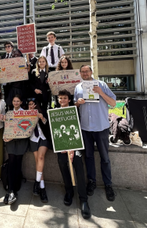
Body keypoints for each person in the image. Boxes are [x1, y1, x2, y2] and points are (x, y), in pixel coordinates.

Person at [74, 65, 116, 201]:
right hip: (86, 128)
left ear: (91, 72)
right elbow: (75, 106)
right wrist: (78, 103)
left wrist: (101, 93)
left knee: (105, 158)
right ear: (80, 73)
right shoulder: (78, 87)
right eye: (82, 72)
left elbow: (114, 103)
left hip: (101, 128)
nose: (85, 73)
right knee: (89, 157)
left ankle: (108, 184)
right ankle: (91, 182)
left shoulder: (102, 84)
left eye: (87, 71)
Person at [57, 89, 91, 220]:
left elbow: (77, 129)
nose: (62, 100)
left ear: (69, 100)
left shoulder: (74, 110)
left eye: (65, 98)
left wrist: (72, 148)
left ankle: (83, 199)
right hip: (61, 145)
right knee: (61, 162)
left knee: (77, 161)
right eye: (60, 98)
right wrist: (61, 146)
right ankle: (69, 191)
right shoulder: (55, 112)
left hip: (75, 143)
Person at [4, 95, 28, 205]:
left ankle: (16, 185)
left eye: (18, 101)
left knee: (19, 162)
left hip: (21, 140)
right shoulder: (8, 113)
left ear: (21, 102)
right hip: (10, 140)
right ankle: (11, 188)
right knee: (11, 161)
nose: (16, 103)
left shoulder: (25, 113)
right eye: (14, 101)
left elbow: (26, 127)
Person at [28, 98, 52, 203]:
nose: (32, 106)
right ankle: (42, 188)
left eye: (33, 104)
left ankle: (36, 182)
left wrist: (42, 119)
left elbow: (48, 126)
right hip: (33, 139)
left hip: (43, 138)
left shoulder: (43, 112)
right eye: (30, 105)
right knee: (38, 161)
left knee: (41, 157)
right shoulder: (25, 114)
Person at [1, 41, 26, 110]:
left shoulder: (16, 55)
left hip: (15, 83)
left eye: (8, 46)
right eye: (6, 47)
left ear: (12, 47)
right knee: (7, 100)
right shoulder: (3, 57)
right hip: (6, 83)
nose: (7, 48)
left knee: (15, 100)